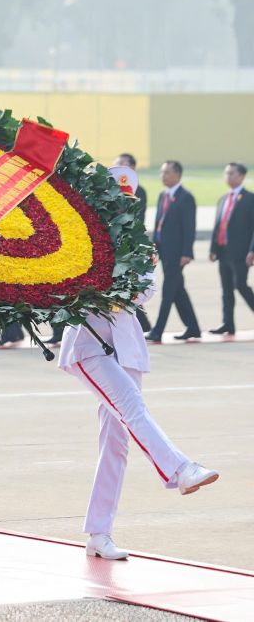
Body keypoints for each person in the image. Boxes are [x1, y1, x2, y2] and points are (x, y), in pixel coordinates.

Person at [58, 166, 218, 560]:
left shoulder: (138, 244)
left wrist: (119, 292)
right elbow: (69, 286)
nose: (121, 208)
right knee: (132, 408)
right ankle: (179, 469)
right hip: (89, 345)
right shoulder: (83, 237)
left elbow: (146, 287)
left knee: (116, 443)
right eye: (115, 201)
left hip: (126, 346)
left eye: (127, 202)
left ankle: (99, 532)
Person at [146, 161, 201, 342]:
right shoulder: (163, 195)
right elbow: (159, 223)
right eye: (162, 173)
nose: (163, 176)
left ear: (177, 174)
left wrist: (187, 253)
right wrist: (154, 247)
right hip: (164, 250)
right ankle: (193, 327)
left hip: (178, 255)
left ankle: (157, 330)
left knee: (168, 290)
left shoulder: (186, 197)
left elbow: (189, 228)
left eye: (167, 173)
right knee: (178, 291)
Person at [209, 162, 254, 335]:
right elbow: (218, 225)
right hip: (223, 251)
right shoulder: (223, 199)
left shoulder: (250, 198)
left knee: (240, 285)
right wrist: (213, 248)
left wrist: (252, 250)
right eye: (226, 173)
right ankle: (228, 323)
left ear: (241, 176)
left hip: (241, 253)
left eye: (231, 173)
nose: (227, 176)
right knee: (226, 289)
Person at [114, 153, 151, 333]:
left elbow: (136, 218)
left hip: (130, 243)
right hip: (119, 242)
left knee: (132, 283)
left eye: (122, 164)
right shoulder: (112, 191)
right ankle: (143, 323)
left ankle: (143, 323)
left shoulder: (138, 191)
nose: (118, 166)